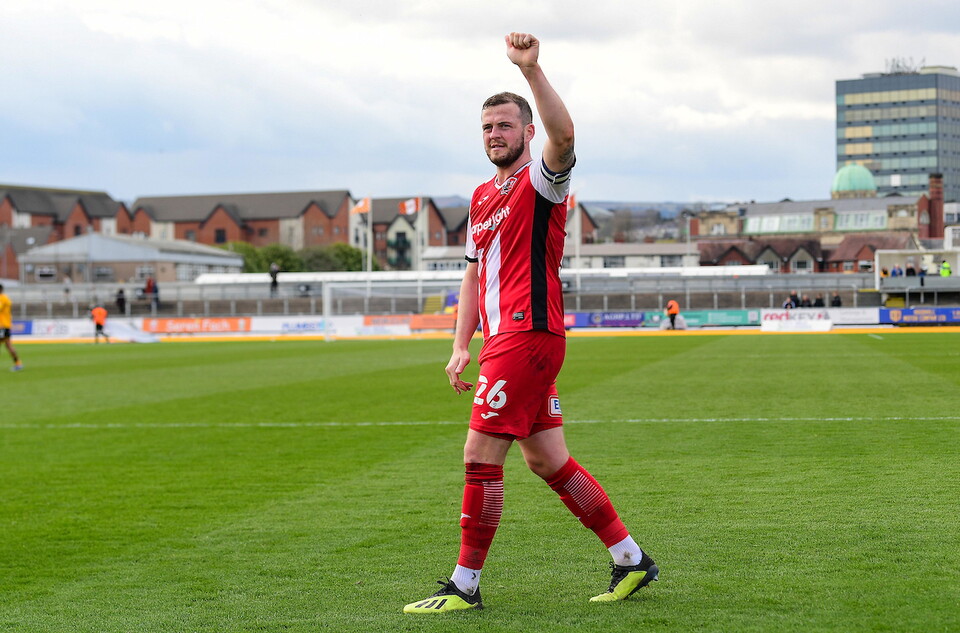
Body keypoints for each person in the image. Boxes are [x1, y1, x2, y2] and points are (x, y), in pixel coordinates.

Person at [403, 33, 657, 615]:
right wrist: (459, 344)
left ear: (525, 132)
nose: (495, 135)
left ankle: (464, 585)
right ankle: (631, 559)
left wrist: (533, 72)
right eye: (487, 128)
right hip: (504, 342)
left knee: (479, 454)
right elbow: (472, 276)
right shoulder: (479, 197)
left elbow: (564, 137)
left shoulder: (541, 182)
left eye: (505, 126)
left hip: (528, 334)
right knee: (547, 459)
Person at [0, 284, 24, 371]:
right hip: (5, 325)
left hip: (2, 326)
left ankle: (18, 363)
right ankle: (18, 363)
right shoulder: (5, 298)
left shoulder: (2, 298)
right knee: (8, 345)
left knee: (9, 345)